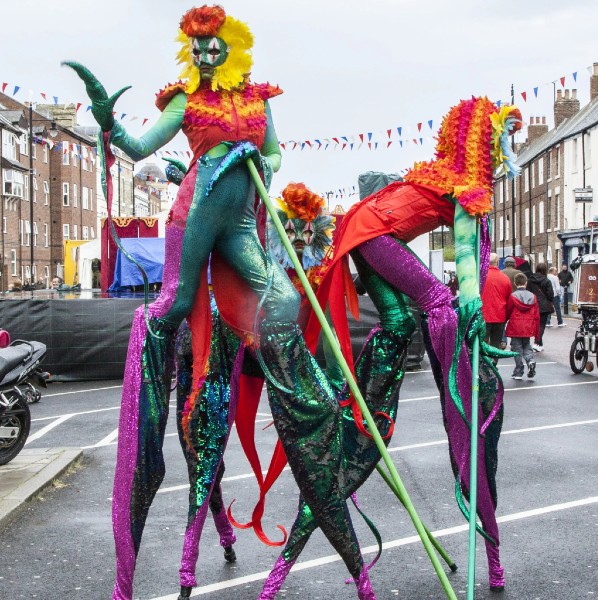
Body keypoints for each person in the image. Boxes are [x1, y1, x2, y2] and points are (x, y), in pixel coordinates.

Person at [67, 7, 376, 600]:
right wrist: (109, 122)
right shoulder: (185, 100)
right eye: (197, 47)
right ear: (192, 51)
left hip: (240, 221)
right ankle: (152, 361)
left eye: (214, 46)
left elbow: (277, 156)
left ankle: (306, 398)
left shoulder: (259, 101)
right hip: (195, 213)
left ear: (231, 48)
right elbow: (138, 145)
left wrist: (257, 159)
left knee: (282, 301)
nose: (206, 55)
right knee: (176, 299)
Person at [305, 97, 522, 592]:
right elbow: (467, 263)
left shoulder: (455, 182)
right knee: (439, 302)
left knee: (403, 321)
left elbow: (473, 262)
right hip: (369, 233)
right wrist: (466, 326)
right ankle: (453, 396)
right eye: (501, 139)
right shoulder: (465, 188)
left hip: (362, 226)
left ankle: (362, 391)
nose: (507, 148)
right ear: (483, 144)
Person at [506, 272, 539, 380]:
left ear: (515, 283)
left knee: (517, 349)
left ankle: (518, 371)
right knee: (527, 346)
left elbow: (509, 311)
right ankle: (530, 361)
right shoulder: (533, 297)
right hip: (528, 326)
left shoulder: (513, 296)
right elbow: (536, 314)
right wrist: (537, 331)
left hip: (516, 325)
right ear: (526, 283)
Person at [481, 252, 513, 351]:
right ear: (497, 262)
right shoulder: (505, 278)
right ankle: (493, 363)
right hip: (499, 315)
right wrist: (506, 316)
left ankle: (483, 364)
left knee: (483, 344)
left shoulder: (481, 277)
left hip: (483, 315)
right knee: (496, 344)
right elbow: (509, 300)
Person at [526, 262, 554, 352]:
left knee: (536, 324)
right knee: (541, 325)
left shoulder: (530, 280)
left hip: (533, 304)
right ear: (545, 270)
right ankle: (536, 343)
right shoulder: (546, 281)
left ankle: (540, 344)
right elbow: (550, 295)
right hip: (544, 306)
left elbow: (528, 292)